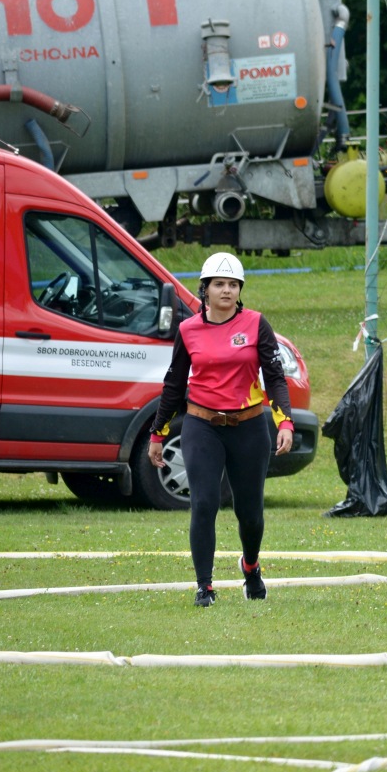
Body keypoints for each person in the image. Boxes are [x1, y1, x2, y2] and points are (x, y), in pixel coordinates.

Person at [148, 252, 295, 607]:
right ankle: (205, 586)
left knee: (250, 512)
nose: (226, 290)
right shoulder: (188, 330)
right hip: (202, 426)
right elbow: (173, 385)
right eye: (219, 284)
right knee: (203, 503)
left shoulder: (256, 324)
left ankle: (251, 567)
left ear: (239, 290)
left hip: (249, 427)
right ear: (205, 289)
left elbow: (275, 378)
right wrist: (157, 433)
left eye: (233, 284)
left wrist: (285, 422)